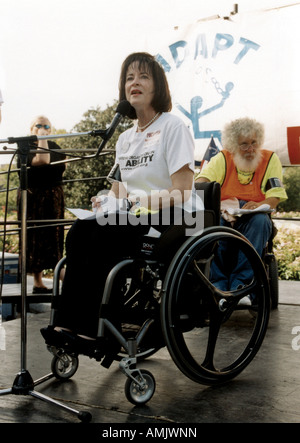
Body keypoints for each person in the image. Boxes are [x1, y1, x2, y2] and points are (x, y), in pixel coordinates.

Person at [41, 52, 204, 354]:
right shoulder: (125, 138)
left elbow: (182, 189)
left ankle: (95, 330)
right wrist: (103, 203)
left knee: (108, 233)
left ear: (158, 85)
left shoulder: (173, 127)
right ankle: (69, 324)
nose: (135, 83)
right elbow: (117, 191)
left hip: (175, 217)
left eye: (143, 76)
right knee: (80, 230)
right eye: (129, 78)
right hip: (132, 216)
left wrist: (138, 203)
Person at [195, 117, 287, 303]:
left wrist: (260, 205)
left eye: (254, 143)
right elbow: (201, 183)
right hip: (224, 213)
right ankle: (218, 286)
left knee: (260, 221)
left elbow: (275, 196)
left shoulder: (270, 159)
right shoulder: (222, 158)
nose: (250, 149)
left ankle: (242, 286)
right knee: (209, 226)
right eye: (244, 145)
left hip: (255, 216)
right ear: (233, 146)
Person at [17, 115, 66, 293]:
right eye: (38, 125)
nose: (43, 128)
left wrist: (45, 140)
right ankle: (38, 281)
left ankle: (59, 271)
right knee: (35, 236)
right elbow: (42, 160)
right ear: (32, 129)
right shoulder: (25, 148)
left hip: (52, 196)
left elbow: (63, 167)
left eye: (46, 126)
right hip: (33, 197)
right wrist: (42, 139)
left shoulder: (56, 147)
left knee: (54, 235)